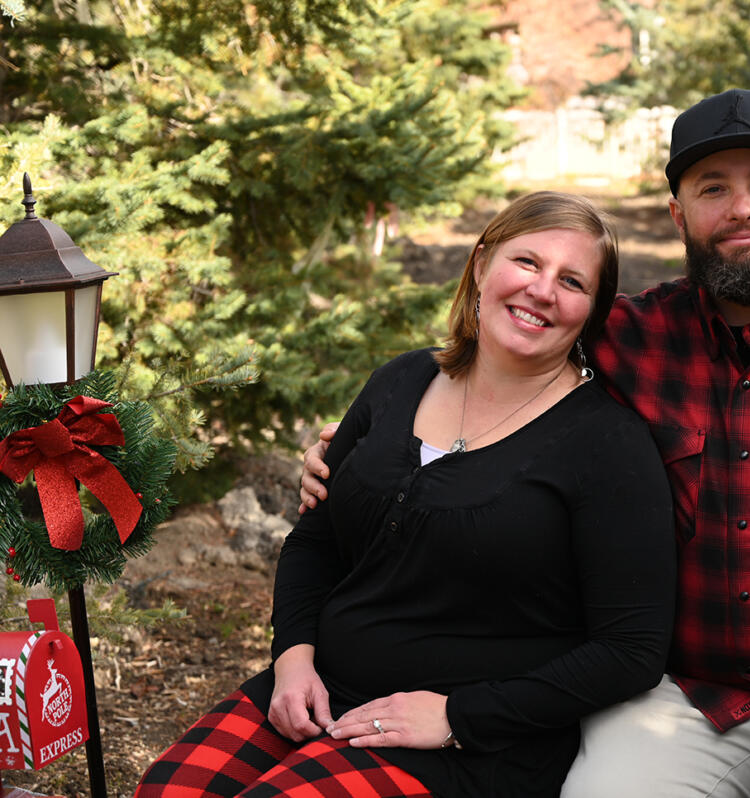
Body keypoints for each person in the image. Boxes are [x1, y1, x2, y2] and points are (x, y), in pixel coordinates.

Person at [301, 89, 750, 797]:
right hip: (678, 700)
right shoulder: (623, 339)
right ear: (679, 215)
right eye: (712, 189)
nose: (742, 208)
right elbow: (501, 360)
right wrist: (369, 450)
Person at [136, 191, 676, 798]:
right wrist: (293, 660)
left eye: (572, 281)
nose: (542, 290)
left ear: (593, 311)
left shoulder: (607, 443)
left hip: (471, 741)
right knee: (165, 792)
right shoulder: (403, 379)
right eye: (527, 262)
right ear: (481, 265)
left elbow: (632, 650)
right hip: (320, 688)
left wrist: (456, 718)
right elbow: (315, 541)